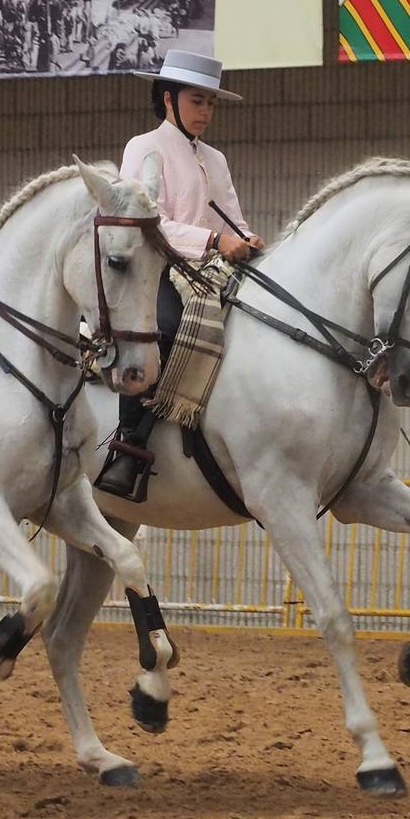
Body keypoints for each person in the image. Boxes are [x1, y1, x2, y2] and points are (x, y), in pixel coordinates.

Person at [94, 50, 262, 500]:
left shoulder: (215, 158)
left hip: (211, 268)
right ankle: (128, 446)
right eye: (197, 100)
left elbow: (230, 217)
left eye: (210, 102)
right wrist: (211, 242)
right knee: (162, 329)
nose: (205, 111)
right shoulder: (143, 147)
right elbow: (147, 221)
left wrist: (246, 237)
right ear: (168, 99)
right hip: (159, 268)